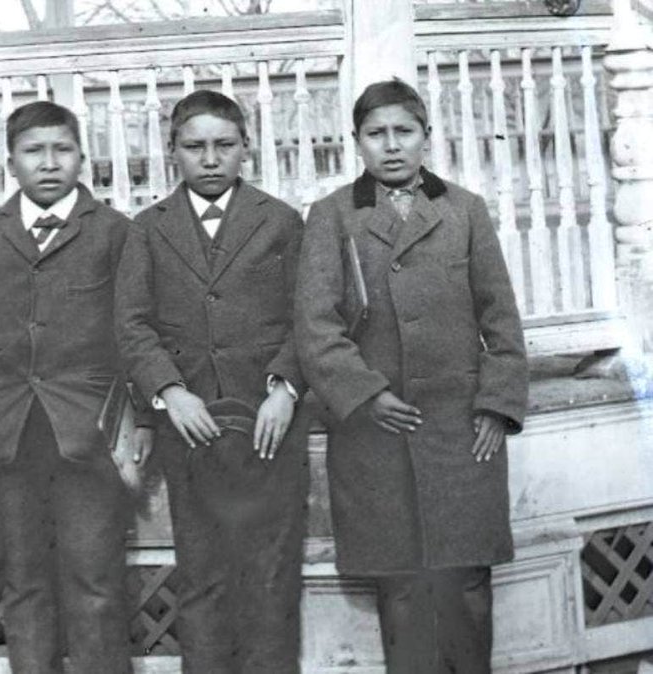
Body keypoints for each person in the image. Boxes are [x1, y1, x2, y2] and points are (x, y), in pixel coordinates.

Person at [294, 79, 528, 673]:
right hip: (377, 437)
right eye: (376, 134)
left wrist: (496, 405)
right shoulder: (332, 216)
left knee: (466, 584)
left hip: (460, 434)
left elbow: (500, 318)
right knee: (399, 589)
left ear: (427, 136)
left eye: (404, 131)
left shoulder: (464, 210)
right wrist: (365, 393)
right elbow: (316, 328)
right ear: (356, 142)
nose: (391, 145)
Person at [0, 100, 144, 674]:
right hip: (8, 436)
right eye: (34, 151)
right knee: (24, 581)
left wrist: (141, 424)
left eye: (62, 150)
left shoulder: (114, 233)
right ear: (11, 163)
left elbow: (136, 334)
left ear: (83, 158)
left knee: (95, 581)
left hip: (89, 435)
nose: (49, 162)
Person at [115, 89, 309, 674]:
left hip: (269, 427)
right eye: (194, 146)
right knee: (202, 577)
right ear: (172, 151)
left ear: (246, 147)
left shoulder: (281, 221)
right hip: (191, 431)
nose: (210, 158)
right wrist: (170, 391)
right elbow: (131, 323)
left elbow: (310, 317)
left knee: (271, 578)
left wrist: (286, 388)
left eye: (224, 145)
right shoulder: (148, 229)